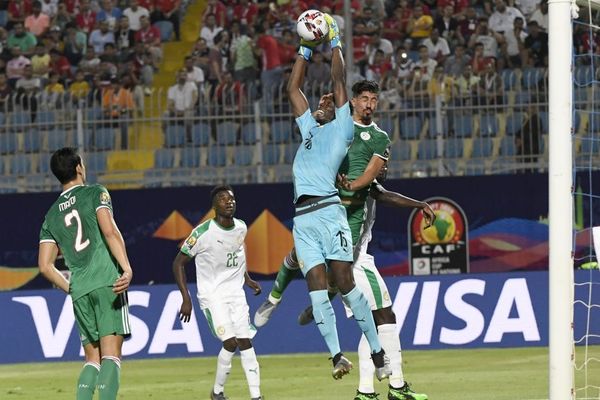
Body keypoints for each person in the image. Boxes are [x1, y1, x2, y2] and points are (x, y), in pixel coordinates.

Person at [255, 81, 434, 400]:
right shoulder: (337, 139)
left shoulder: (375, 139)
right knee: (384, 315)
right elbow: (360, 181)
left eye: (374, 99)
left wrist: (417, 204)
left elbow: (377, 189)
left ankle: (369, 388)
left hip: (349, 246)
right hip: (352, 252)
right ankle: (395, 385)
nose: (370, 104)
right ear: (352, 101)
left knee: (379, 316)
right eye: (364, 98)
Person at [287, 17, 390, 381]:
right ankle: (336, 357)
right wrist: (304, 47)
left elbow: (337, 80)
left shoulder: (344, 128)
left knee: (344, 283)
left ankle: (378, 352)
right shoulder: (310, 128)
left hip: (330, 212)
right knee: (316, 289)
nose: (327, 101)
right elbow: (293, 88)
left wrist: (333, 42)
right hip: (303, 220)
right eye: (325, 103)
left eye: (333, 102)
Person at [38, 147, 133, 400]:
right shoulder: (95, 192)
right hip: (107, 282)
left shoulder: (50, 216)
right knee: (111, 355)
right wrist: (126, 267)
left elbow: (45, 266)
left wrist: (71, 287)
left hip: (80, 288)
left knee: (92, 359)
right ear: (79, 167)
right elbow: (109, 231)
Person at [172, 185, 264, 400]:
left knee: (245, 342)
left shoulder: (241, 227)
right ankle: (217, 392)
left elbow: (238, 253)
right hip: (212, 295)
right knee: (230, 342)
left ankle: (256, 396)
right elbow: (178, 263)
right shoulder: (202, 233)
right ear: (214, 206)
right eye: (223, 199)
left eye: (231, 198)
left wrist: (246, 278)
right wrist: (185, 298)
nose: (229, 201)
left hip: (236, 294)